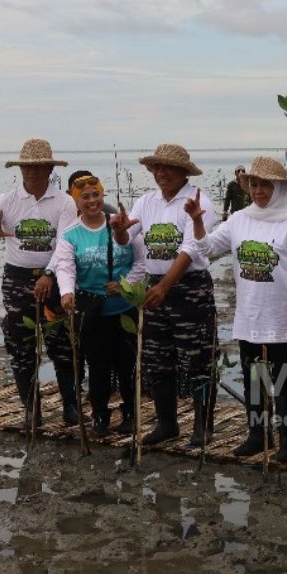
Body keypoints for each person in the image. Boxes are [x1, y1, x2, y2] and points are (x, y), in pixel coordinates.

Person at [187, 157, 287, 464]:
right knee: (254, 378)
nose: (258, 191)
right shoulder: (239, 219)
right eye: (254, 184)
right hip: (249, 315)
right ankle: (257, 435)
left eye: (265, 185)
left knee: (286, 381)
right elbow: (207, 249)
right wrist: (196, 221)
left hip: (283, 314)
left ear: (280, 187)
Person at [0, 139, 79, 429]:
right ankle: (32, 411)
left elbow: (65, 244)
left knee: (61, 344)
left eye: (37, 168)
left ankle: (71, 408)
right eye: (26, 168)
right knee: (20, 346)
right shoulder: (6, 200)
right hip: (17, 279)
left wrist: (49, 274)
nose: (31, 173)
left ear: (49, 169)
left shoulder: (64, 202)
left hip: (54, 281)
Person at [124, 144, 220, 448]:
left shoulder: (200, 201)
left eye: (168, 168)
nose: (161, 173)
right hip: (154, 286)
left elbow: (191, 249)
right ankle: (167, 424)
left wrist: (165, 286)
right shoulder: (145, 201)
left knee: (198, 360)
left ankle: (203, 427)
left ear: (183, 172)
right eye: (156, 168)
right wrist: (117, 230)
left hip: (189, 289)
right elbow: (128, 237)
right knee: (156, 359)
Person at [49, 174, 145, 436]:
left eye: (96, 195)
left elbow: (141, 262)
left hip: (124, 309)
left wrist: (126, 283)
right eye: (85, 197)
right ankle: (100, 415)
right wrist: (67, 293)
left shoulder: (119, 225)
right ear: (76, 201)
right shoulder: (70, 234)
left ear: (103, 197)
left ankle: (130, 414)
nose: (92, 201)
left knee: (127, 366)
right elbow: (65, 267)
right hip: (93, 311)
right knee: (98, 366)